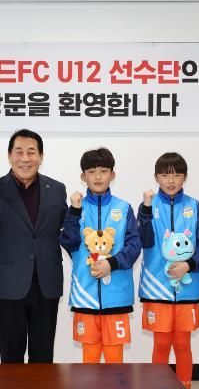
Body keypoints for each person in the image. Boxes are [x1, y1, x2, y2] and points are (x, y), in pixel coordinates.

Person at [0, 129, 67, 363]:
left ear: (41, 156)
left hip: (46, 283)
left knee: (43, 356)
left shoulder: (57, 189)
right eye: (19, 152)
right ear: (9, 156)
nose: (25, 158)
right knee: (11, 356)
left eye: (31, 152)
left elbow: (67, 231)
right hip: (8, 283)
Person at [59, 148, 140, 363]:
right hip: (85, 295)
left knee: (115, 361)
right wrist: (74, 212)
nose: (97, 176)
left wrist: (111, 263)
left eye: (103, 171)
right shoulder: (76, 208)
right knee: (90, 360)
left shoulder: (124, 208)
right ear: (82, 176)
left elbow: (134, 246)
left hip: (117, 297)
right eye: (91, 171)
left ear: (112, 175)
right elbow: (68, 242)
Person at [138, 152, 199, 389]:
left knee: (182, 344)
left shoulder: (195, 207)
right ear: (156, 177)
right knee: (161, 344)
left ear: (185, 177)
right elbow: (144, 241)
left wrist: (188, 265)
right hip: (156, 288)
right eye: (165, 175)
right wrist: (146, 209)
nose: (171, 181)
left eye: (177, 175)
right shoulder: (148, 205)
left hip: (187, 290)